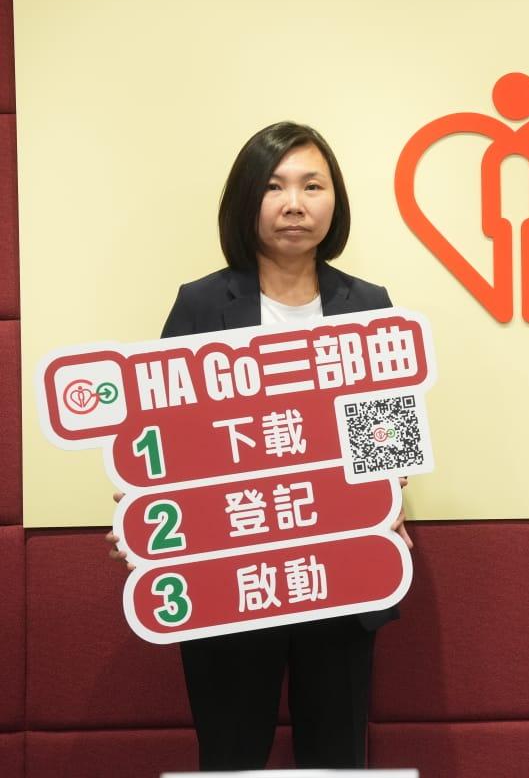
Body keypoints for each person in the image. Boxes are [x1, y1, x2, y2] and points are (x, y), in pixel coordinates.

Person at [106, 121, 411, 770]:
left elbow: (387, 445)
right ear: (247, 200)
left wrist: (387, 506)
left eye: (312, 186)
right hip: (230, 575)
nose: (294, 203)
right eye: (274, 186)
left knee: (336, 758)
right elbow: (159, 440)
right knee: (231, 756)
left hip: (340, 574)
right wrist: (146, 514)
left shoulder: (369, 305)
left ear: (335, 200)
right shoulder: (200, 305)